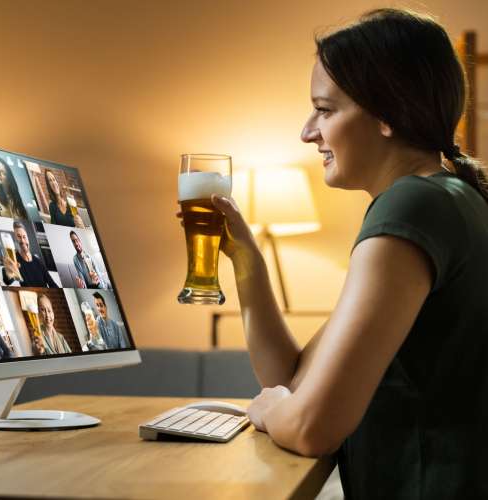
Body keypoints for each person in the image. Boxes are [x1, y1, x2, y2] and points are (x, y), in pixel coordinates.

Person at [200, 9, 488, 499]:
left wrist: (267, 409)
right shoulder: (449, 197)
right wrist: (247, 260)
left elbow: (312, 426)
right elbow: (292, 379)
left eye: (325, 110)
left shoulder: (412, 207)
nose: (308, 132)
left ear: (387, 114)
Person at [2, 221, 58, 288]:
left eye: (24, 237)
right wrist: (8, 272)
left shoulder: (38, 261)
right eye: (19, 237)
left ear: (27, 237)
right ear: (15, 239)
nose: (22, 240)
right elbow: (7, 281)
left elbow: (52, 283)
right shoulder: (14, 261)